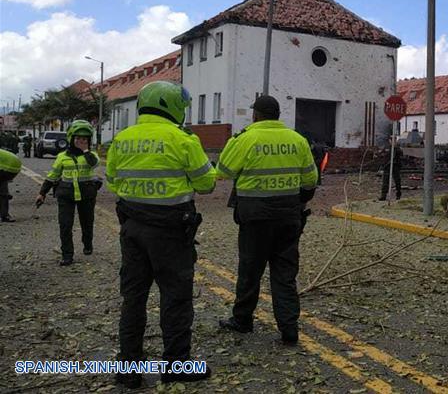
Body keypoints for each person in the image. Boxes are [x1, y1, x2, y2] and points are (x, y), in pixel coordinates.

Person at [106, 81, 216, 388]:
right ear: (172, 106)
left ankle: (128, 369)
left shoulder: (122, 139)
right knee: (175, 299)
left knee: (133, 298)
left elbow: (113, 181)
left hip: (132, 228)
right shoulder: (182, 139)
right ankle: (176, 366)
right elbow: (207, 183)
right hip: (170, 231)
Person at [216, 96, 318, 345]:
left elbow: (222, 172)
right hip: (288, 216)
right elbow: (310, 181)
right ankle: (289, 329)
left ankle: (242, 320)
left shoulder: (245, 139)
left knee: (250, 270)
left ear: (256, 115)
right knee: (285, 274)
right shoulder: (297, 140)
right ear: (278, 114)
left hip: (255, 217)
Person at [36, 120, 101, 266]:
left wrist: (85, 151)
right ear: (71, 139)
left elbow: (94, 164)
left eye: (84, 139)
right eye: (77, 138)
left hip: (87, 194)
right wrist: (42, 193)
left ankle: (87, 244)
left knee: (87, 222)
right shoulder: (62, 157)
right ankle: (67, 254)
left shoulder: (91, 155)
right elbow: (52, 176)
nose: (80, 141)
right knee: (65, 225)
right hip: (66, 195)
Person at [0, 147, 21, 222]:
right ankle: (4, 215)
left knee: (3, 194)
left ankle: (4, 215)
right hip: (13, 165)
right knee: (3, 192)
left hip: (8, 168)